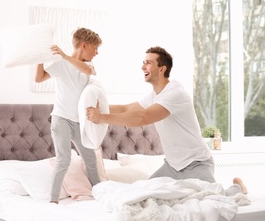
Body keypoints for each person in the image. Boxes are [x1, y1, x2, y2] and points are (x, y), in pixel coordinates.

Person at [86, 46, 247, 196]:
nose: (143, 67)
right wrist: (101, 107)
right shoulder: (155, 96)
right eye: (143, 63)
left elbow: (143, 117)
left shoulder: (175, 93)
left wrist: (101, 117)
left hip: (196, 163)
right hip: (172, 166)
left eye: (148, 63)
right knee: (144, 195)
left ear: (162, 69)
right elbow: (127, 109)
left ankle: (238, 188)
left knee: (215, 199)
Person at [35, 27, 103, 203]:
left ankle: (102, 195)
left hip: (81, 122)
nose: (96, 52)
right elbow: (39, 78)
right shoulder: (60, 65)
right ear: (84, 45)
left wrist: (65, 56)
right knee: (63, 160)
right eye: (95, 48)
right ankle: (53, 200)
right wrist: (39, 59)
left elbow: (87, 72)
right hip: (61, 120)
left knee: (91, 161)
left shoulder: (88, 66)